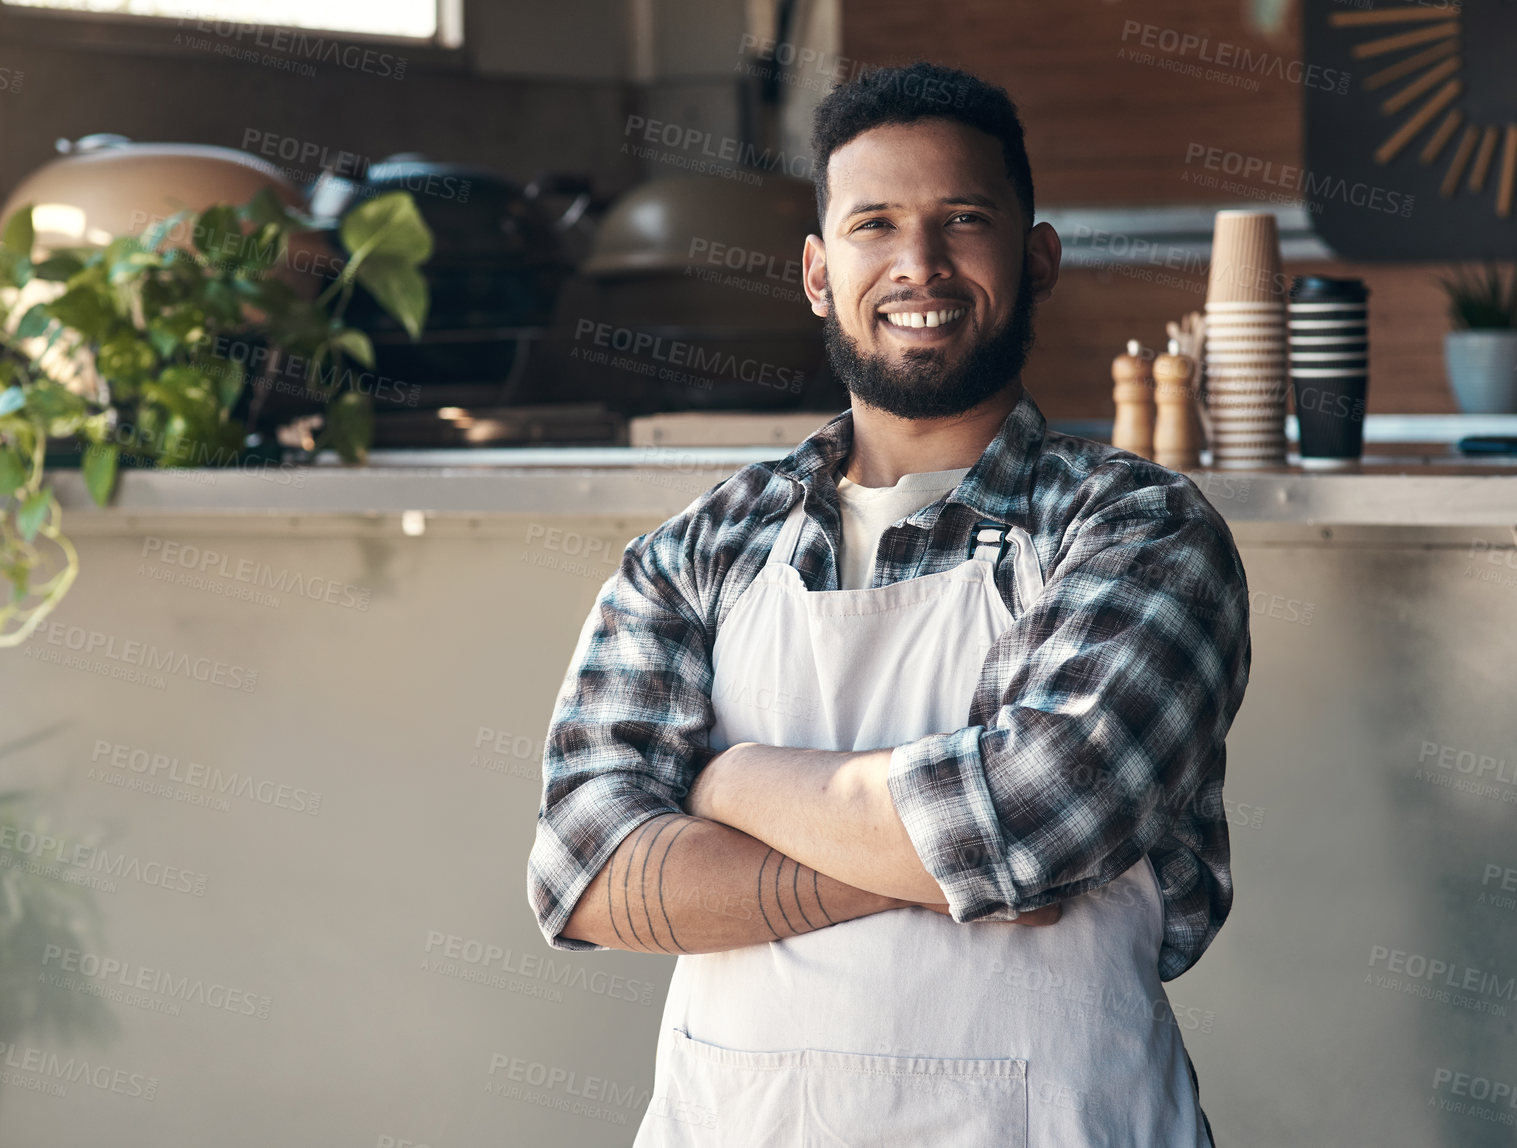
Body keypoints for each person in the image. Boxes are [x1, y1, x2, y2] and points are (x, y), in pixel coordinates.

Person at [526, 59, 1250, 1147]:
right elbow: (583, 869)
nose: (919, 263)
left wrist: (728, 779)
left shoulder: (1137, 530)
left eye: (963, 218)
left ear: (1036, 257)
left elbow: (1038, 812)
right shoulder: (699, 550)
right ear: (818, 272)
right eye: (874, 224)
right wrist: (954, 866)